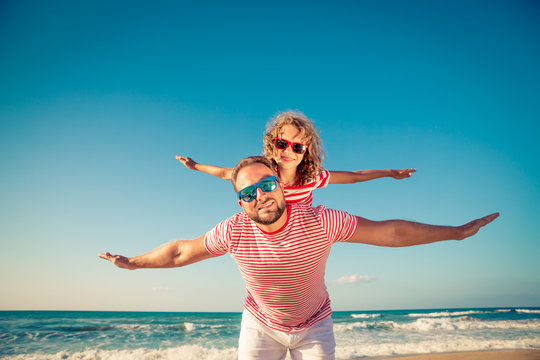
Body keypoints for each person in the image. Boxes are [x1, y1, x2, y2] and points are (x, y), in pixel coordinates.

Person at [99, 156, 498, 360]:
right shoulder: (234, 230)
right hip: (260, 325)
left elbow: (390, 232)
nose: (260, 196)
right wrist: (133, 262)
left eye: (266, 184)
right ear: (240, 202)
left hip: (314, 326)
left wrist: (457, 233)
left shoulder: (321, 220)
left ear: (280, 184)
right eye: (247, 193)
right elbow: (181, 251)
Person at [176, 111, 416, 205]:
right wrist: (195, 166)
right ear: (272, 144)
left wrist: (388, 173)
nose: (288, 152)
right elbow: (227, 173)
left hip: (300, 234)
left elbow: (353, 177)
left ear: (307, 150)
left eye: (297, 147)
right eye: (282, 144)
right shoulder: (264, 173)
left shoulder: (312, 177)